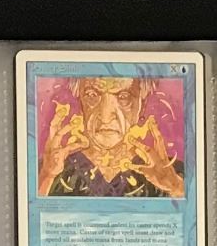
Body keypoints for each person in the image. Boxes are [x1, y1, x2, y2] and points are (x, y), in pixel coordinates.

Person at [38, 75, 185, 199]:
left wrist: (175, 187)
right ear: (80, 102)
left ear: (142, 104)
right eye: (91, 95)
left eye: (124, 97)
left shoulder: (172, 175)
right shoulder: (49, 170)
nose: (106, 117)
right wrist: (46, 177)